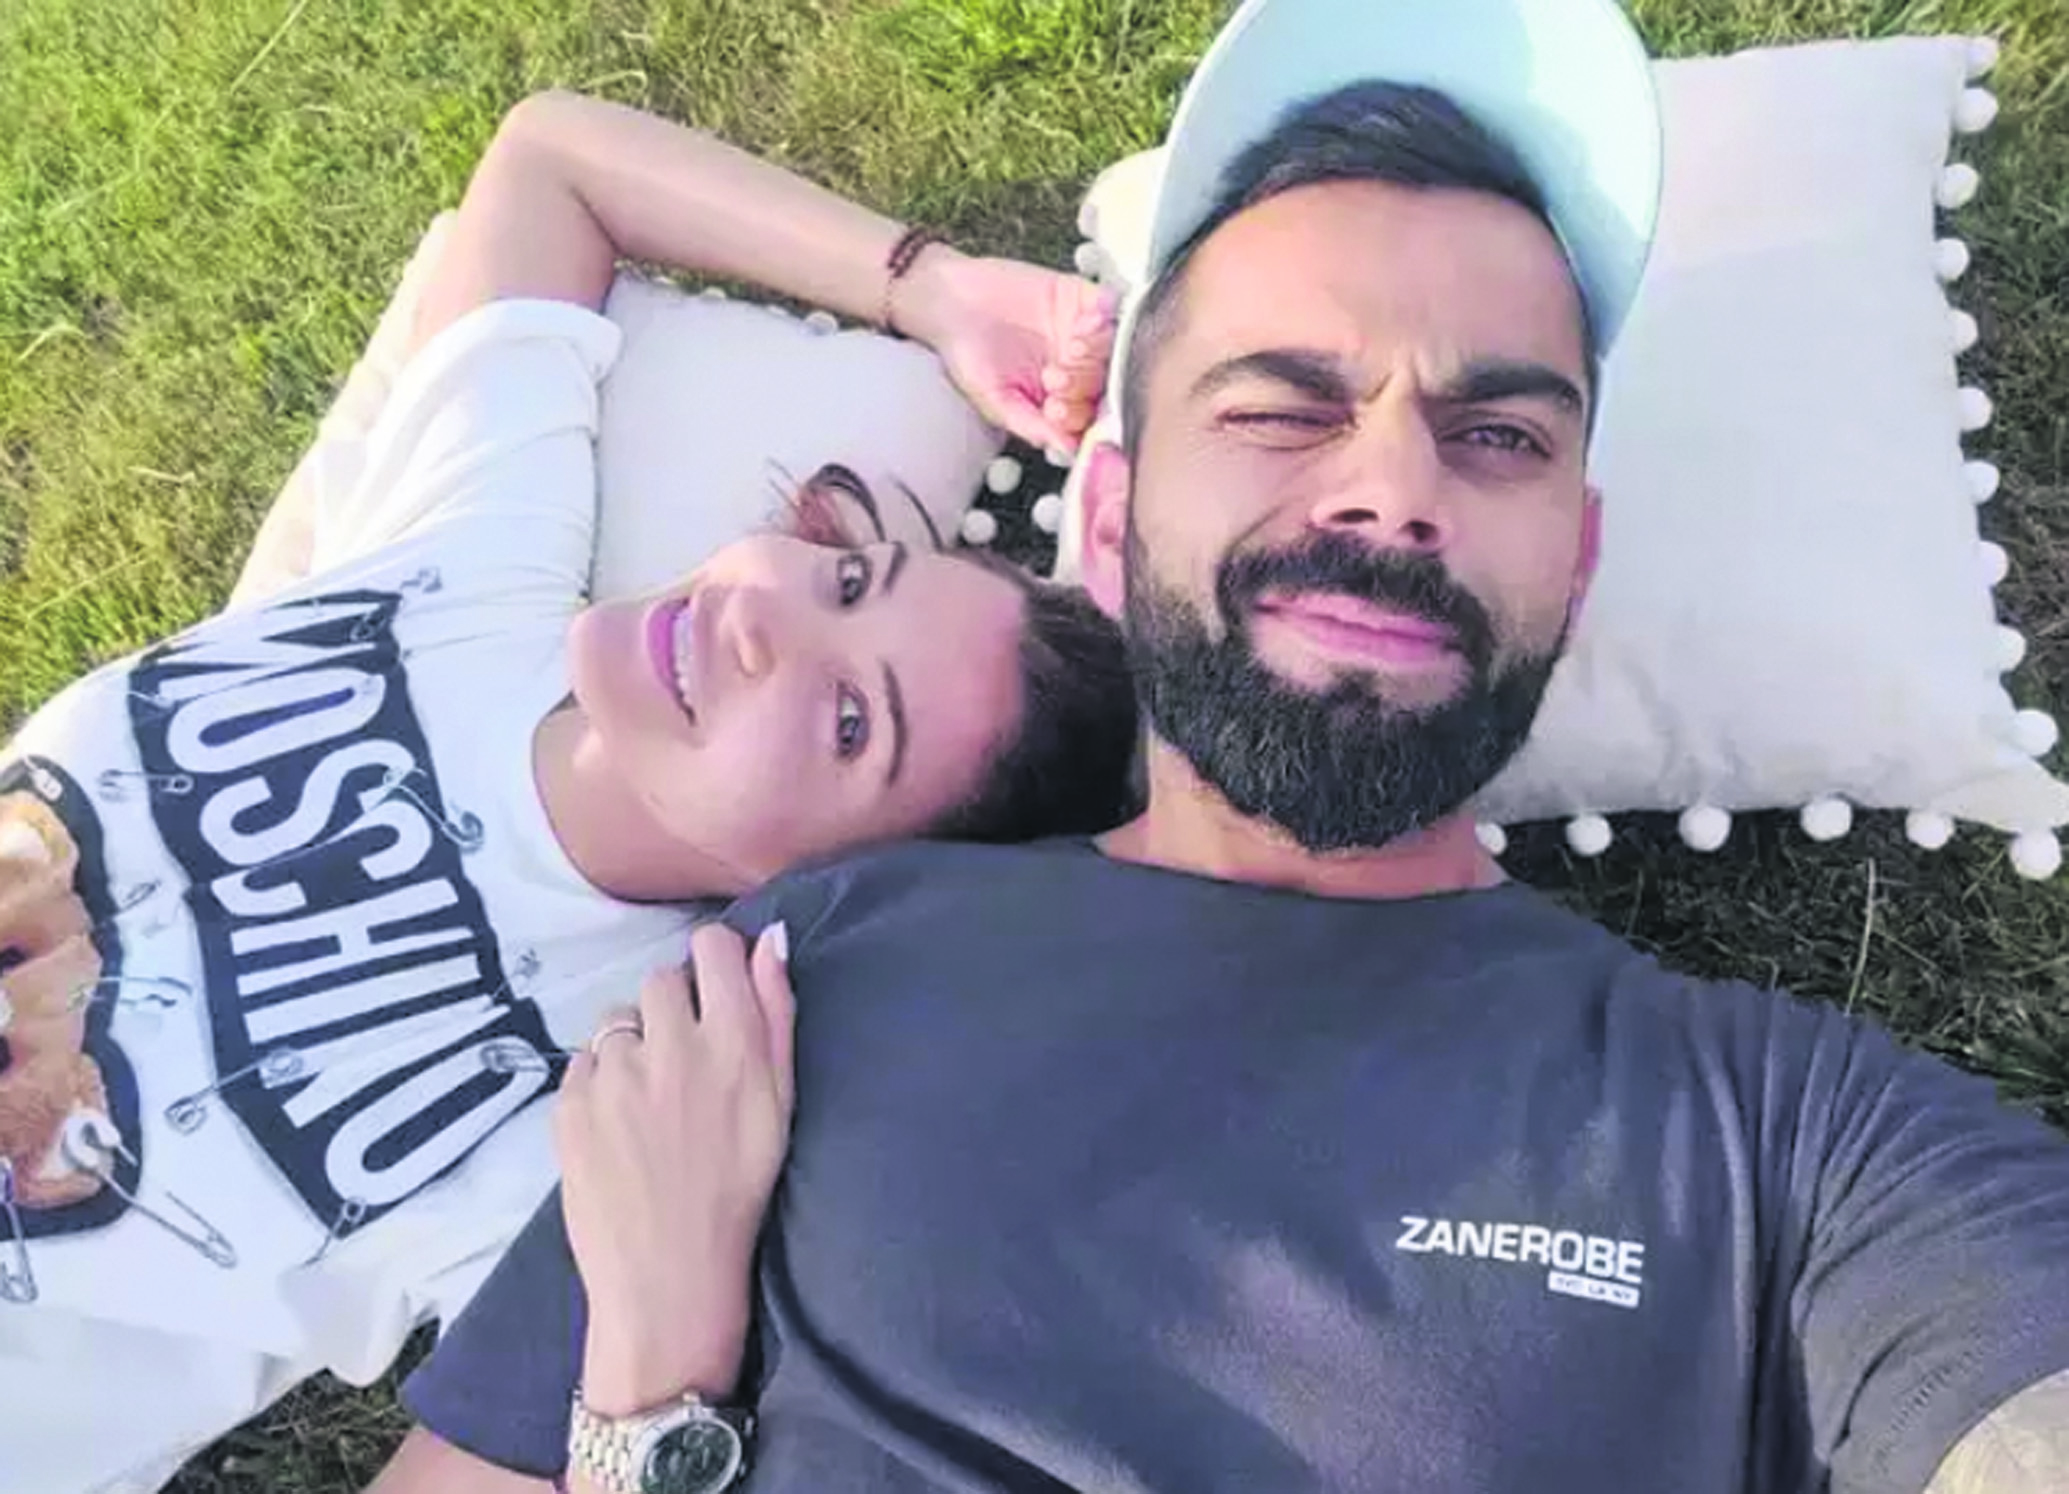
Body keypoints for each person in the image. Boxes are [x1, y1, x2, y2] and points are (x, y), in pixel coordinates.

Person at [378, 0, 2069, 1491]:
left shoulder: (1786, 1145)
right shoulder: (811, 973)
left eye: (1496, 434)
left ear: (1577, 559)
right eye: (1278, 408)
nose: (1392, 488)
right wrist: (648, 1402)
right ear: (1110, 522)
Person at [0, 90, 1142, 1494]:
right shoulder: (471, 571)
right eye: (848, 579)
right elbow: (550, 163)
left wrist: (652, 1374)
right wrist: (937, 290)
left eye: (851, 720)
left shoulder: (618, 1102)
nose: (762, 618)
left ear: (846, 882)